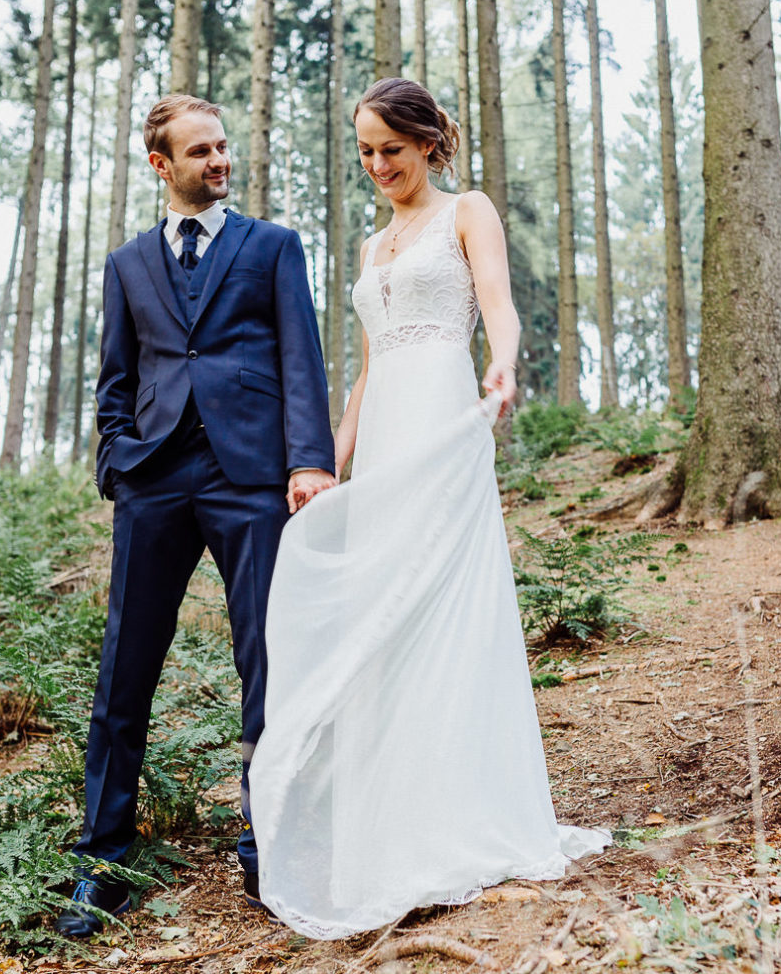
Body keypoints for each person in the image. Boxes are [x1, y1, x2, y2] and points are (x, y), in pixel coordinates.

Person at [247, 77, 610, 940]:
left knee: (439, 602)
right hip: (385, 433)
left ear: (428, 143)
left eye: (392, 151)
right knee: (382, 613)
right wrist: (325, 463)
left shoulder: (466, 210)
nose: (378, 166)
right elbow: (367, 372)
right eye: (366, 153)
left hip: (446, 416)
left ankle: (458, 817)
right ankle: (387, 826)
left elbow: (498, 308)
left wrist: (504, 367)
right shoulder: (375, 250)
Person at [55, 95, 337, 937]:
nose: (219, 161)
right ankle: (102, 864)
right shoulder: (128, 264)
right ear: (161, 165)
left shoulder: (274, 247)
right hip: (152, 481)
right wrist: (117, 459)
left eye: (223, 147)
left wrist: (309, 460)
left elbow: (302, 358)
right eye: (201, 151)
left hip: (251, 479)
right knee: (123, 673)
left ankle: (271, 844)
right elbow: (115, 376)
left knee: (270, 663)